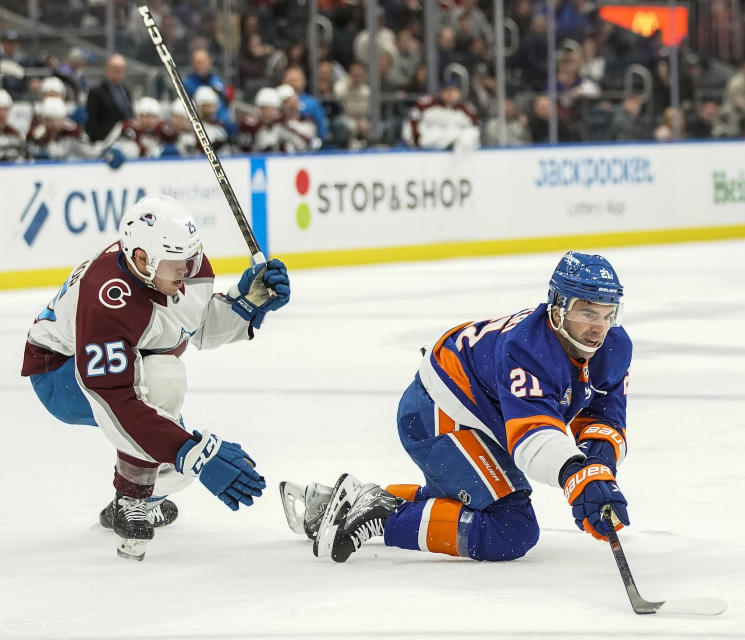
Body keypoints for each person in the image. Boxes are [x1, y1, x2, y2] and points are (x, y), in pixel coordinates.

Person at [281, 252, 631, 563]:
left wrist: (599, 471)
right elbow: (532, 437)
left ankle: (355, 501)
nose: (597, 330)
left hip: (481, 417)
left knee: (477, 502)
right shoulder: (526, 347)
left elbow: (603, 420)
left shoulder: (614, 347)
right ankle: (383, 515)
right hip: (437, 413)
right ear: (557, 309)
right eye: (587, 313)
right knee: (511, 528)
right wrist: (579, 478)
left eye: (607, 314)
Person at [21, 194, 290, 561]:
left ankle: (146, 493)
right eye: (176, 263)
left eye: (191, 258)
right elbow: (117, 401)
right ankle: (133, 498)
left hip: (128, 355)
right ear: (141, 259)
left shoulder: (182, 264)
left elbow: (192, 327)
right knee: (164, 390)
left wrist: (247, 302)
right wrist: (190, 452)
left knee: (166, 432)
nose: (187, 271)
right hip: (60, 373)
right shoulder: (106, 300)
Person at [401, 77, 480, 151]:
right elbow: (411, 125)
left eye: (454, 90)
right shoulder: (426, 105)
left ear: (459, 93)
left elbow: (474, 132)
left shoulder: (468, 110)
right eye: (447, 90)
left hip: (458, 154)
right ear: (441, 92)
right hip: (425, 151)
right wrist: (416, 145)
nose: (450, 94)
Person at [85, 54, 134, 142]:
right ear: (108, 70)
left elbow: (129, 114)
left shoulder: (126, 91)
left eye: (121, 70)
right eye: (115, 70)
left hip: (124, 138)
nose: (118, 73)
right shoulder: (96, 92)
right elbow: (92, 121)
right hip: (104, 139)